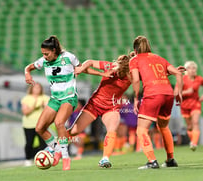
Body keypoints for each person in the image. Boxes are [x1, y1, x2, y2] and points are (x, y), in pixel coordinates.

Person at [24, 35, 102, 170]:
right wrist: (27, 73)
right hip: (55, 99)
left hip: (69, 97)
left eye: (46, 53)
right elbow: (29, 67)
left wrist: (102, 74)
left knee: (59, 122)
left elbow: (83, 68)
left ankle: (66, 157)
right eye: (42, 54)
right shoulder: (44, 61)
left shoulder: (68, 57)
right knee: (39, 128)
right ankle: (56, 150)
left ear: (54, 50)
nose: (44, 56)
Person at [129, 36, 183, 169]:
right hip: (168, 94)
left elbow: (136, 80)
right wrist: (178, 91)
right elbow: (178, 73)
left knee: (141, 130)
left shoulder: (134, 60)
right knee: (163, 127)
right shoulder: (159, 58)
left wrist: (136, 98)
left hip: (153, 94)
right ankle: (170, 159)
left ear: (135, 50)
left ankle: (152, 161)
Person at [70, 54, 131, 168]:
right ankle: (54, 148)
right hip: (95, 104)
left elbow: (149, 75)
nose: (116, 64)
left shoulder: (131, 75)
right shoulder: (109, 66)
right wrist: (81, 69)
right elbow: (90, 61)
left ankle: (105, 158)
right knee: (73, 132)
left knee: (112, 128)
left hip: (111, 107)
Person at [21, 83, 49, 165]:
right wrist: (34, 105)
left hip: (41, 124)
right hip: (29, 124)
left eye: (39, 87)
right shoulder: (26, 98)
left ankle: (45, 159)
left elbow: (49, 109)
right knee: (29, 143)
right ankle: (28, 159)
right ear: (31, 89)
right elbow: (25, 112)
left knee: (43, 143)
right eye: (35, 88)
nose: (37, 89)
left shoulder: (45, 97)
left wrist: (44, 106)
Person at [180, 61, 203, 151]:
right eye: (191, 68)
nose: (193, 70)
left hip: (196, 104)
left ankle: (194, 143)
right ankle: (192, 140)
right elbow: (176, 93)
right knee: (189, 126)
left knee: (196, 122)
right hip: (185, 106)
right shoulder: (182, 79)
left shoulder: (199, 79)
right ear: (186, 70)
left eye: (194, 68)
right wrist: (186, 92)